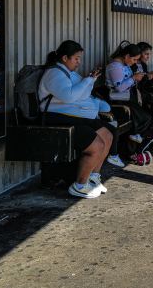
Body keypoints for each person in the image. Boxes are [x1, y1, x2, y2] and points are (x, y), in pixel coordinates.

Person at [38, 40, 113, 199]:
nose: (79, 62)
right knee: (96, 145)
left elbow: (82, 94)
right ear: (65, 58)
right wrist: (87, 81)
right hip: (55, 118)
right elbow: (69, 96)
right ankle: (80, 185)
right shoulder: (54, 73)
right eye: (76, 58)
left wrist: (90, 80)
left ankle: (93, 177)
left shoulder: (68, 72)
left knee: (107, 135)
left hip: (71, 116)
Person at [106, 41, 152, 142]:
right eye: (134, 59)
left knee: (146, 115)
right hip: (118, 99)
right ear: (127, 56)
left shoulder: (124, 64)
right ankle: (135, 134)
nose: (135, 62)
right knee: (145, 117)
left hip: (128, 97)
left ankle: (136, 134)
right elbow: (119, 88)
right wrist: (133, 78)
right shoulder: (115, 66)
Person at [132, 41, 153, 108]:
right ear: (139, 53)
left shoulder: (143, 65)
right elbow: (136, 83)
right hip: (135, 92)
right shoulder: (132, 65)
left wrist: (152, 77)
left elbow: (146, 82)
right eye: (146, 54)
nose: (148, 57)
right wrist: (147, 77)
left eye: (149, 54)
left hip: (144, 89)